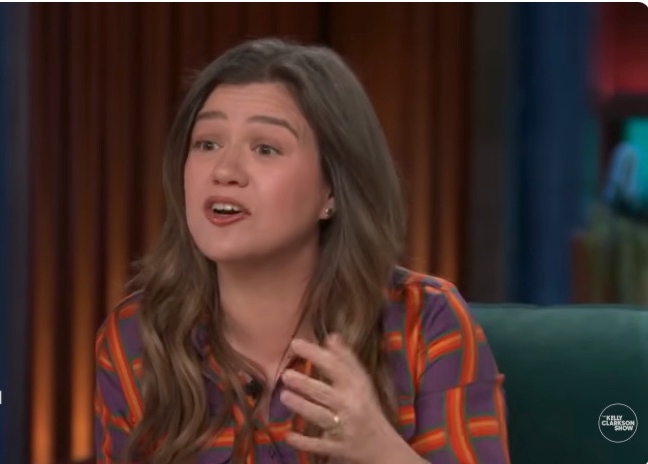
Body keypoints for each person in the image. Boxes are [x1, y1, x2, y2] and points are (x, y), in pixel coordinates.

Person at [94, 38, 509, 464]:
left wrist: (381, 451)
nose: (224, 171)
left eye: (265, 148)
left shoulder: (424, 323)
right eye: (207, 144)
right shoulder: (139, 338)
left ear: (331, 190)